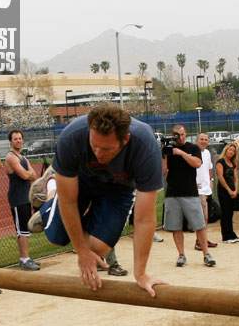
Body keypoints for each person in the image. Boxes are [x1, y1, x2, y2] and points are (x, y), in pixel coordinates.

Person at [29, 104, 165, 293]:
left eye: (106, 148)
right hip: (80, 179)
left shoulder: (145, 146)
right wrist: (81, 251)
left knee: (98, 250)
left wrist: (140, 274)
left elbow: (144, 219)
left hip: (119, 188)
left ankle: (54, 190)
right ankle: (53, 185)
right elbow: (69, 202)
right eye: (94, 145)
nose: (98, 153)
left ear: (125, 139)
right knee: (57, 239)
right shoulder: (72, 137)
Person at [163, 124, 216, 267]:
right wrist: (163, 154)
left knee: (199, 224)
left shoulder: (193, 148)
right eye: (176, 135)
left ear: (185, 134)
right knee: (176, 226)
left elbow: (197, 163)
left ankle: (206, 254)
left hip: (191, 193)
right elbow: (163, 172)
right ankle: (181, 255)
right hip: (172, 193)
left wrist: (181, 153)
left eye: (182, 134)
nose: (179, 137)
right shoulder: (168, 150)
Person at [4, 129, 41, 271]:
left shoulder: (23, 158)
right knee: (22, 230)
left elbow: (34, 175)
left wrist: (29, 174)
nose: (18, 140)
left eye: (20, 138)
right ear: (10, 141)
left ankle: (25, 258)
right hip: (17, 198)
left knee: (25, 229)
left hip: (25, 198)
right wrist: (28, 174)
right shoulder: (11, 157)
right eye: (15, 139)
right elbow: (26, 175)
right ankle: (24, 259)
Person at [194, 132, 218, 251]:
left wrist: (211, 179)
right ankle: (199, 241)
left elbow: (210, 168)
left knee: (206, 217)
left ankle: (203, 239)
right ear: (196, 141)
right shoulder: (193, 152)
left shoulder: (207, 153)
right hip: (199, 191)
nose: (204, 141)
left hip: (207, 188)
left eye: (206, 140)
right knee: (202, 217)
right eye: (201, 139)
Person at [215, 143, 239, 243]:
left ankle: (231, 233)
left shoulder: (233, 163)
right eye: (229, 150)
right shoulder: (220, 162)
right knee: (225, 212)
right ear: (226, 150)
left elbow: (235, 177)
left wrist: (235, 190)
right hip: (223, 190)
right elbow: (220, 177)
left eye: (233, 151)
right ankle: (226, 236)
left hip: (232, 189)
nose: (231, 152)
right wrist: (229, 190)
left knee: (230, 212)